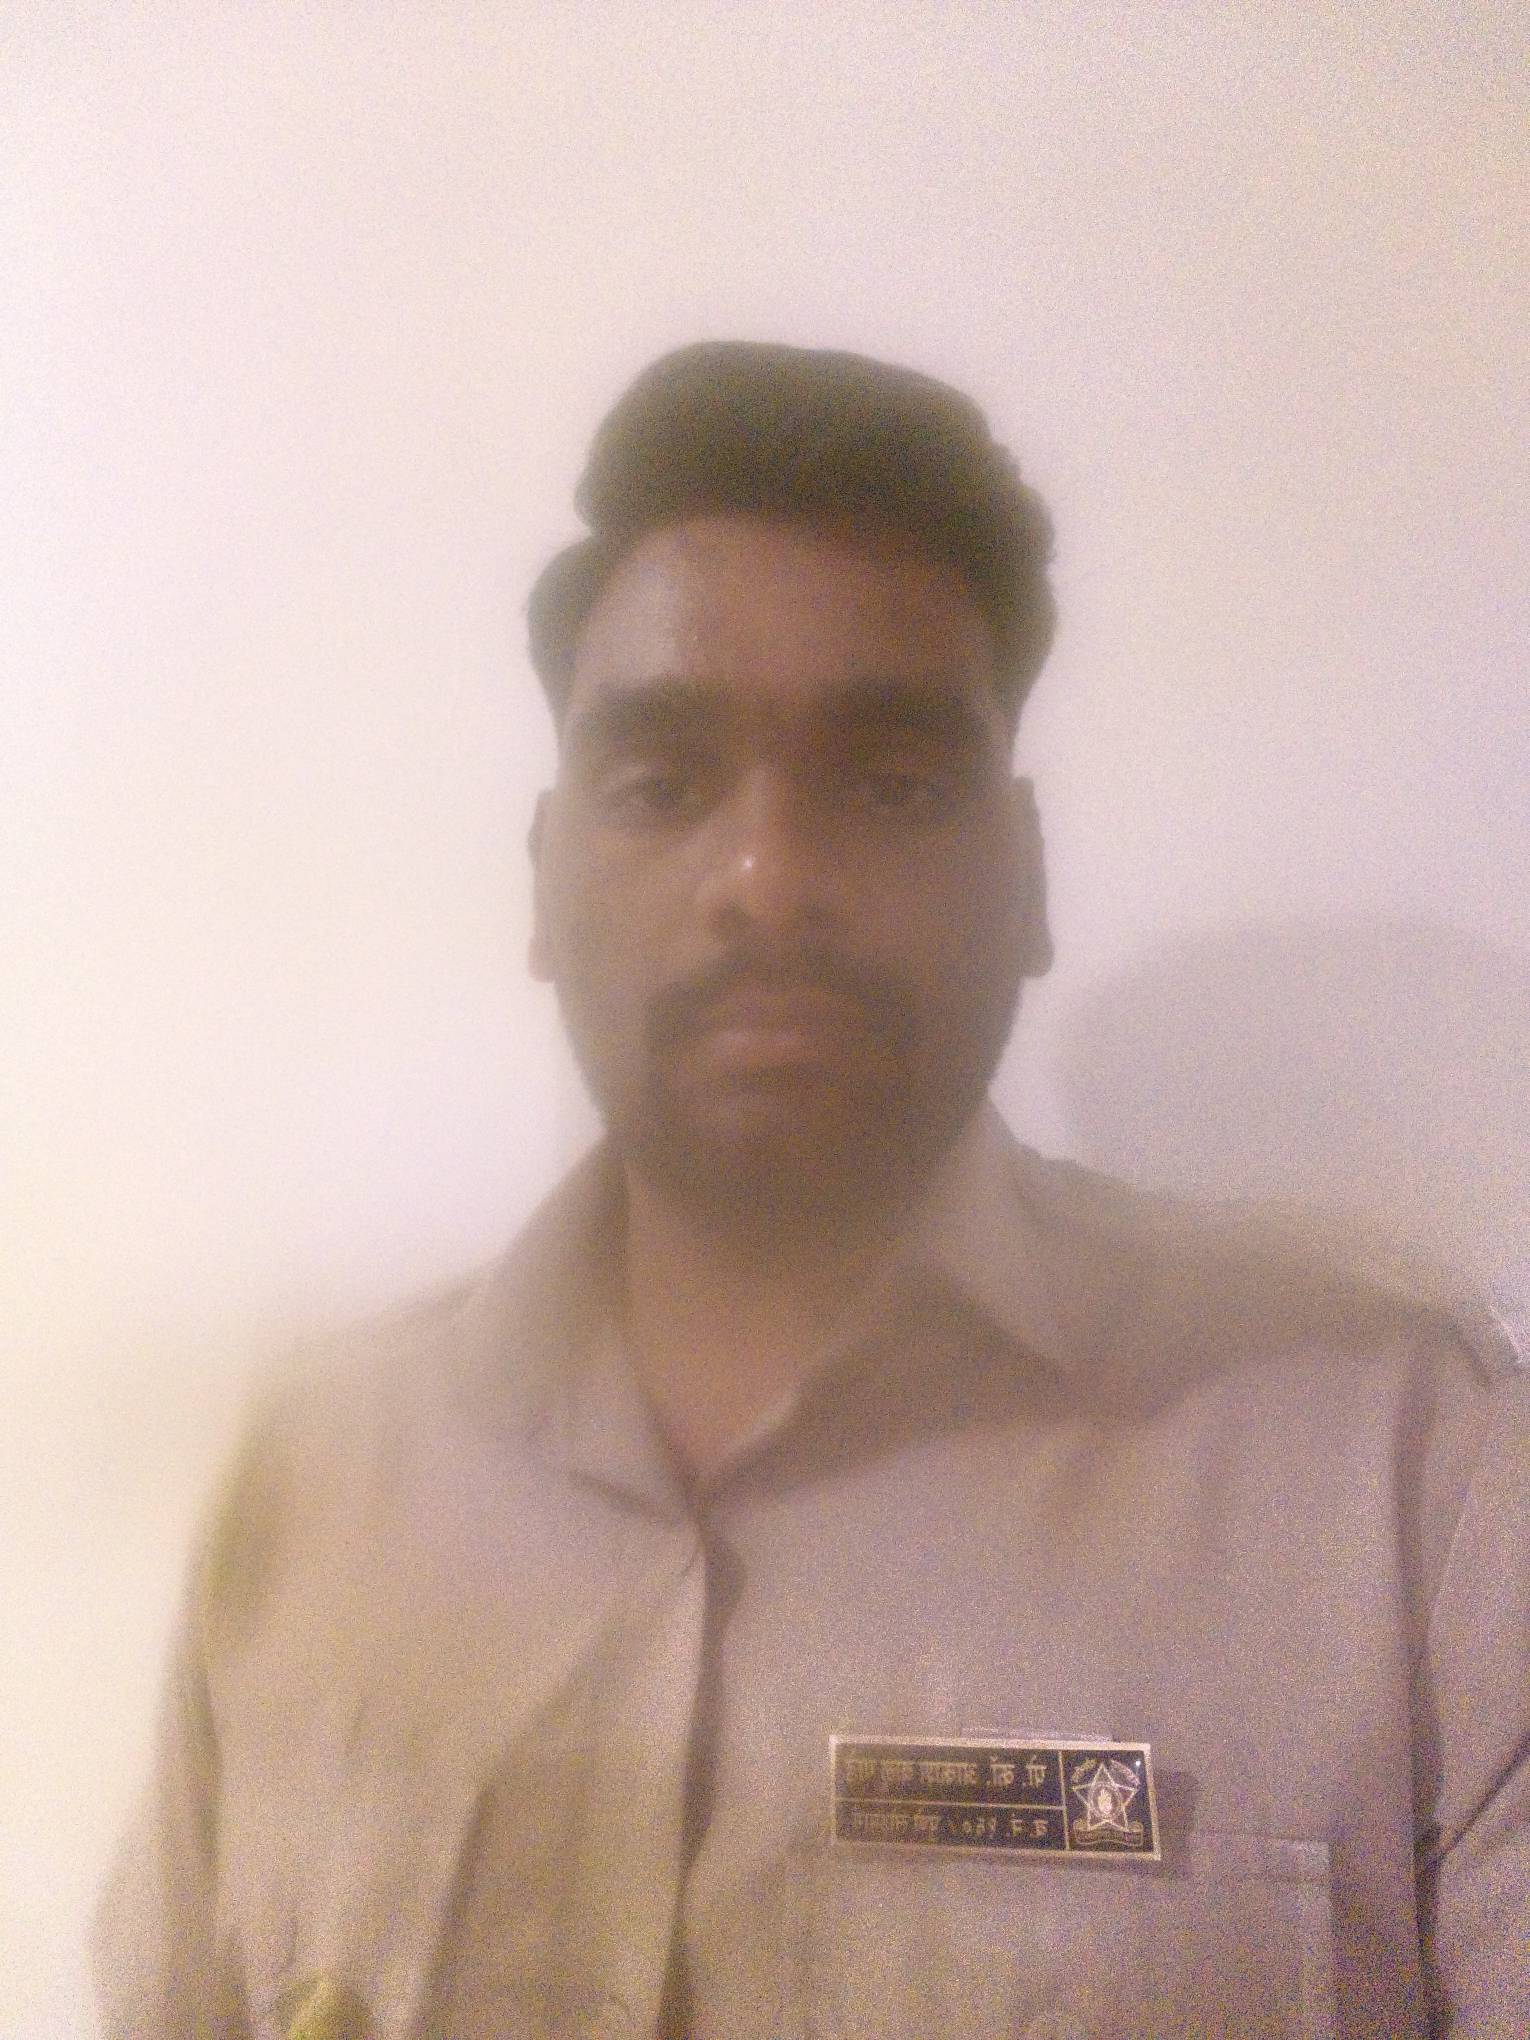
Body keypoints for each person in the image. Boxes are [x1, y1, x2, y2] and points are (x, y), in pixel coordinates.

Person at [96, 342, 1528, 2039]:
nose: (769, 878)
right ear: (544, 885)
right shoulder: (308, 1486)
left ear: (1026, 878)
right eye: (661, 783)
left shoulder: (1411, 1489)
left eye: (892, 782)